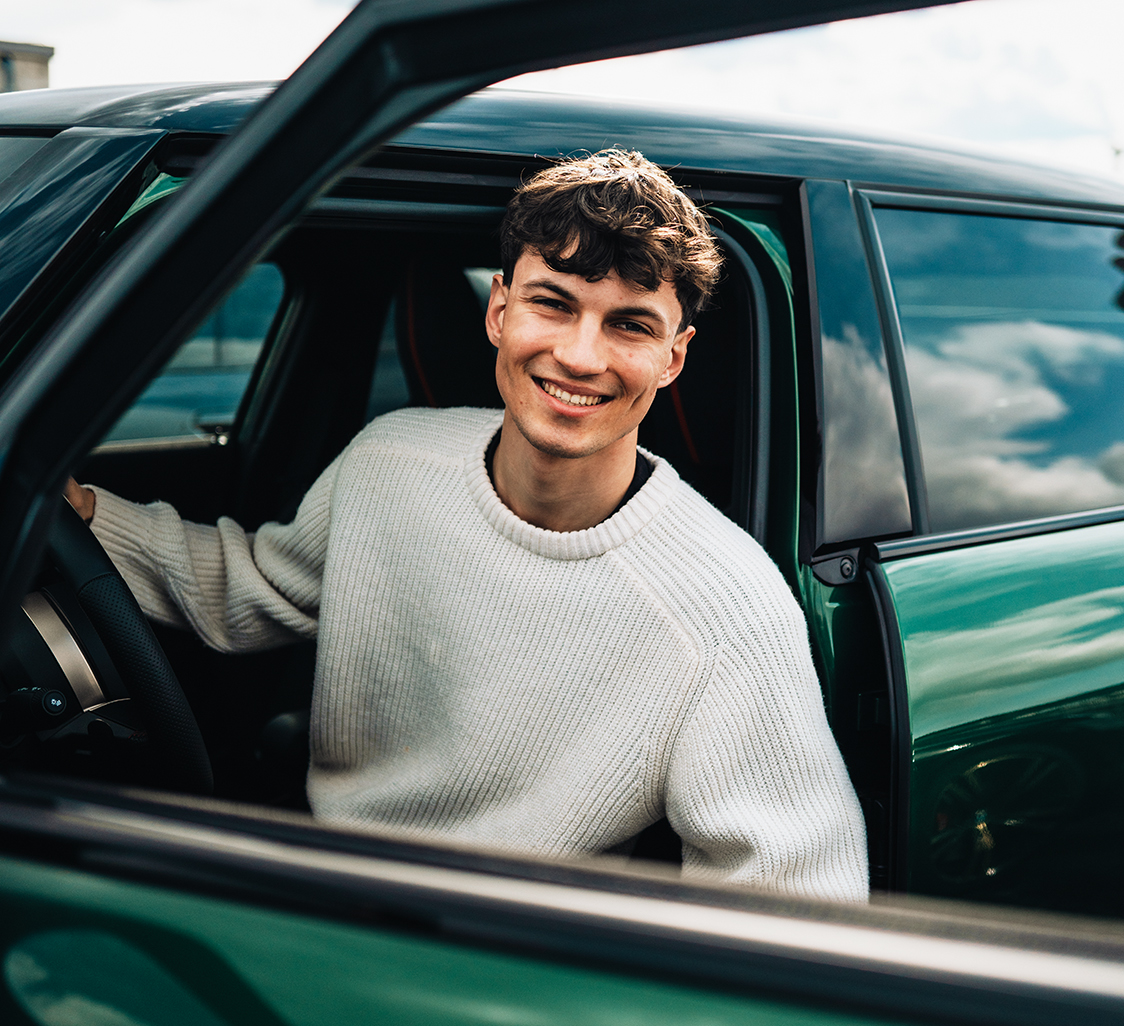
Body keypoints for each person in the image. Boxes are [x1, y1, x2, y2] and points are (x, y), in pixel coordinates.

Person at [66, 149, 870, 901]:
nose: (580, 356)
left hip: (496, 959)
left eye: (628, 324)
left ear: (674, 358)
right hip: (317, 885)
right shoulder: (392, 458)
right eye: (552, 303)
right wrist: (79, 515)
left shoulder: (730, 612)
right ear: (498, 310)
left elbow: (795, 904)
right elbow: (247, 588)